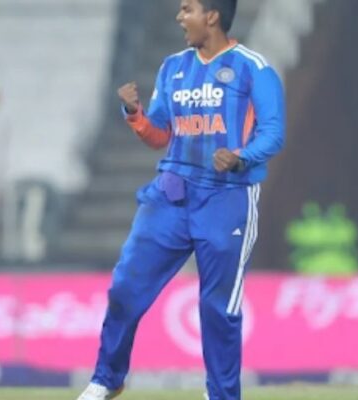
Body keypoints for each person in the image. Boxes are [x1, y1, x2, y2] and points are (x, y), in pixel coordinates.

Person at [76, 0, 285, 399]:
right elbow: (160, 135)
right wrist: (136, 115)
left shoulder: (253, 68)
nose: (179, 17)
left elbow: (273, 133)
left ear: (212, 15)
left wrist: (241, 157)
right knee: (125, 287)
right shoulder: (172, 67)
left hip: (227, 197)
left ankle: (221, 395)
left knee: (218, 307)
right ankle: (107, 378)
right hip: (171, 194)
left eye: (187, 8)